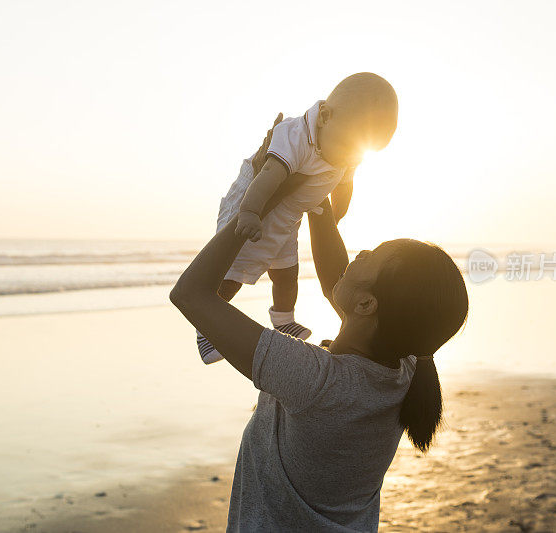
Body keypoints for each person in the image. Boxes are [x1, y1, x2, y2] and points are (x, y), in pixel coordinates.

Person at [170, 120, 469, 531]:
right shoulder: (405, 369)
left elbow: (191, 294)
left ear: (367, 304)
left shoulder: (314, 380)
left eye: (373, 255)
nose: (360, 252)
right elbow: (337, 281)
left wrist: (265, 202)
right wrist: (317, 192)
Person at [196, 72, 398, 364]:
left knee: (287, 275)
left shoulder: (345, 147)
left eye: (357, 154)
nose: (346, 160)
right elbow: (268, 175)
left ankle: (283, 318)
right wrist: (250, 213)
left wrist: (336, 215)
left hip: (287, 219)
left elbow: (345, 184)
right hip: (255, 206)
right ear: (325, 116)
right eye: (345, 149)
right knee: (233, 276)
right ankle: (206, 329)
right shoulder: (294, 136)